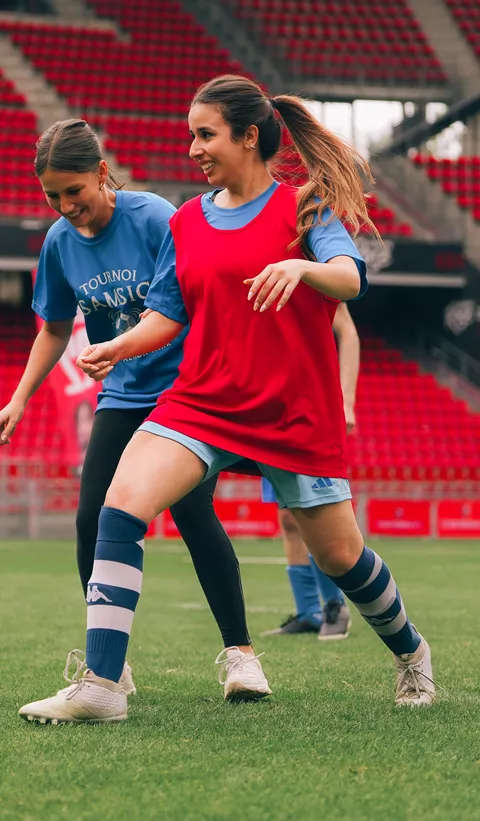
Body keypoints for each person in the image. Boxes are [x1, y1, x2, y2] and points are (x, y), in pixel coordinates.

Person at [19, 76, 435, 725]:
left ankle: (410, 650)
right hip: (202, 400)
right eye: (191, 135)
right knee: (118, 506)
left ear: (248, 136)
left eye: (205, 134)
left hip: (292, 407)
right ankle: (102, 684)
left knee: (340, 556)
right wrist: (118, 348)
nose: (193, 148)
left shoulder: (306, 207)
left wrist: (302, 267)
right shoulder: (187, 221)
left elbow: (351, 278)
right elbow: (166, 314)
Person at [0, 117, 270, 705]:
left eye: (75, 190)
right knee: (90, 522)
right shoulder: (58, 243)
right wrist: (19, 397)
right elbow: (52, 329)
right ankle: (109, 666)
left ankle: (243, 658)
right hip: (122, 396)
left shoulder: (154, 219)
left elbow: (196, 297)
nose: (67, 205)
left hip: (185, 393)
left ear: (101, 172)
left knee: (194, 513)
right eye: (53, 195)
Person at [262, 302, 360, 639]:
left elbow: (346, 331)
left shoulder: (311, 261)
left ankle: (335, 606)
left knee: (312, 514)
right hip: (269, 407)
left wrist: (346, 401)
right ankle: (309, 612)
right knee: (288, 519)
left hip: (310, 406)